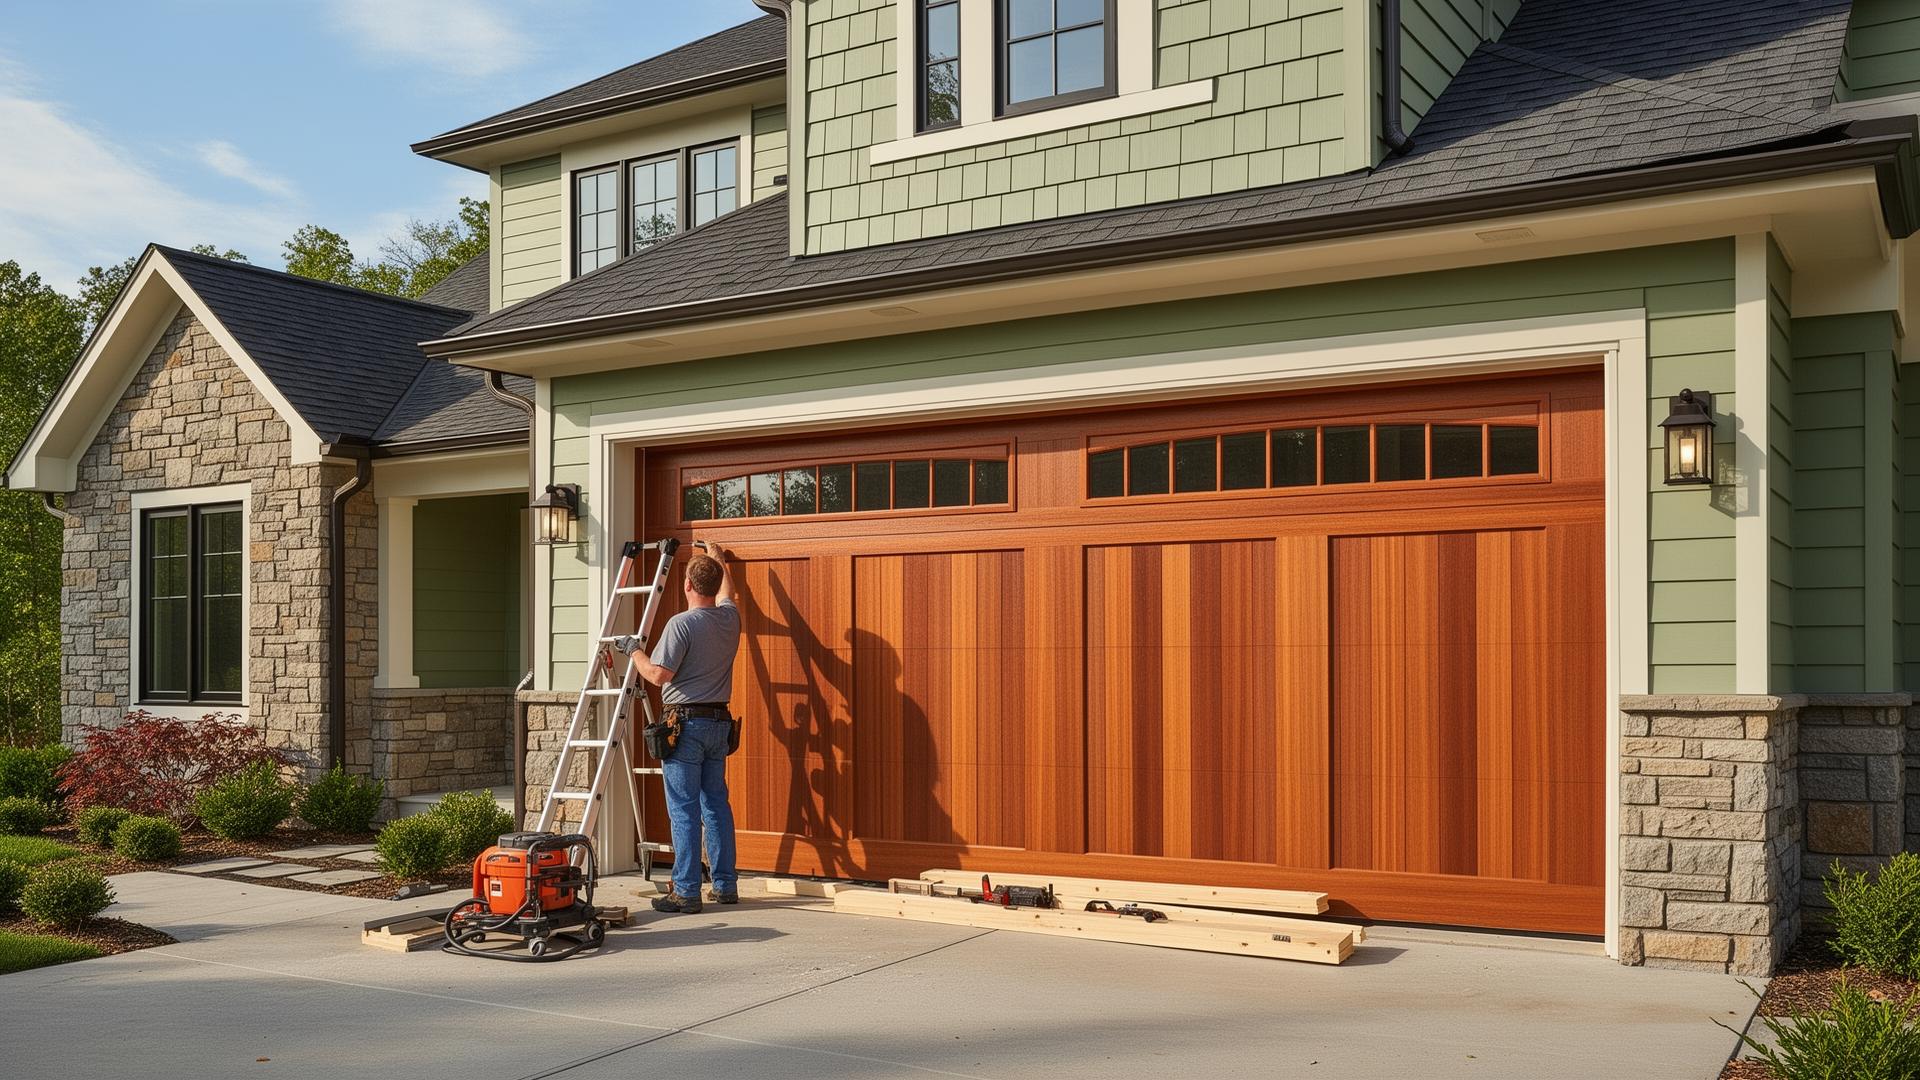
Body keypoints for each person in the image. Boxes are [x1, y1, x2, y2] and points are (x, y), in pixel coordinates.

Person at [625, 542, 741, 913]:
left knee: (684, 810)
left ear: (688, 585)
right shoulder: (729, 618)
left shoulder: (682, 624)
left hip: (685, 727)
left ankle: (687, 892)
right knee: (716, 806)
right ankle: (724, 886)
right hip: (718, 725)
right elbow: (728, 591)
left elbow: (659, 675)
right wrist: (718, 559)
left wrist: (633, 651)